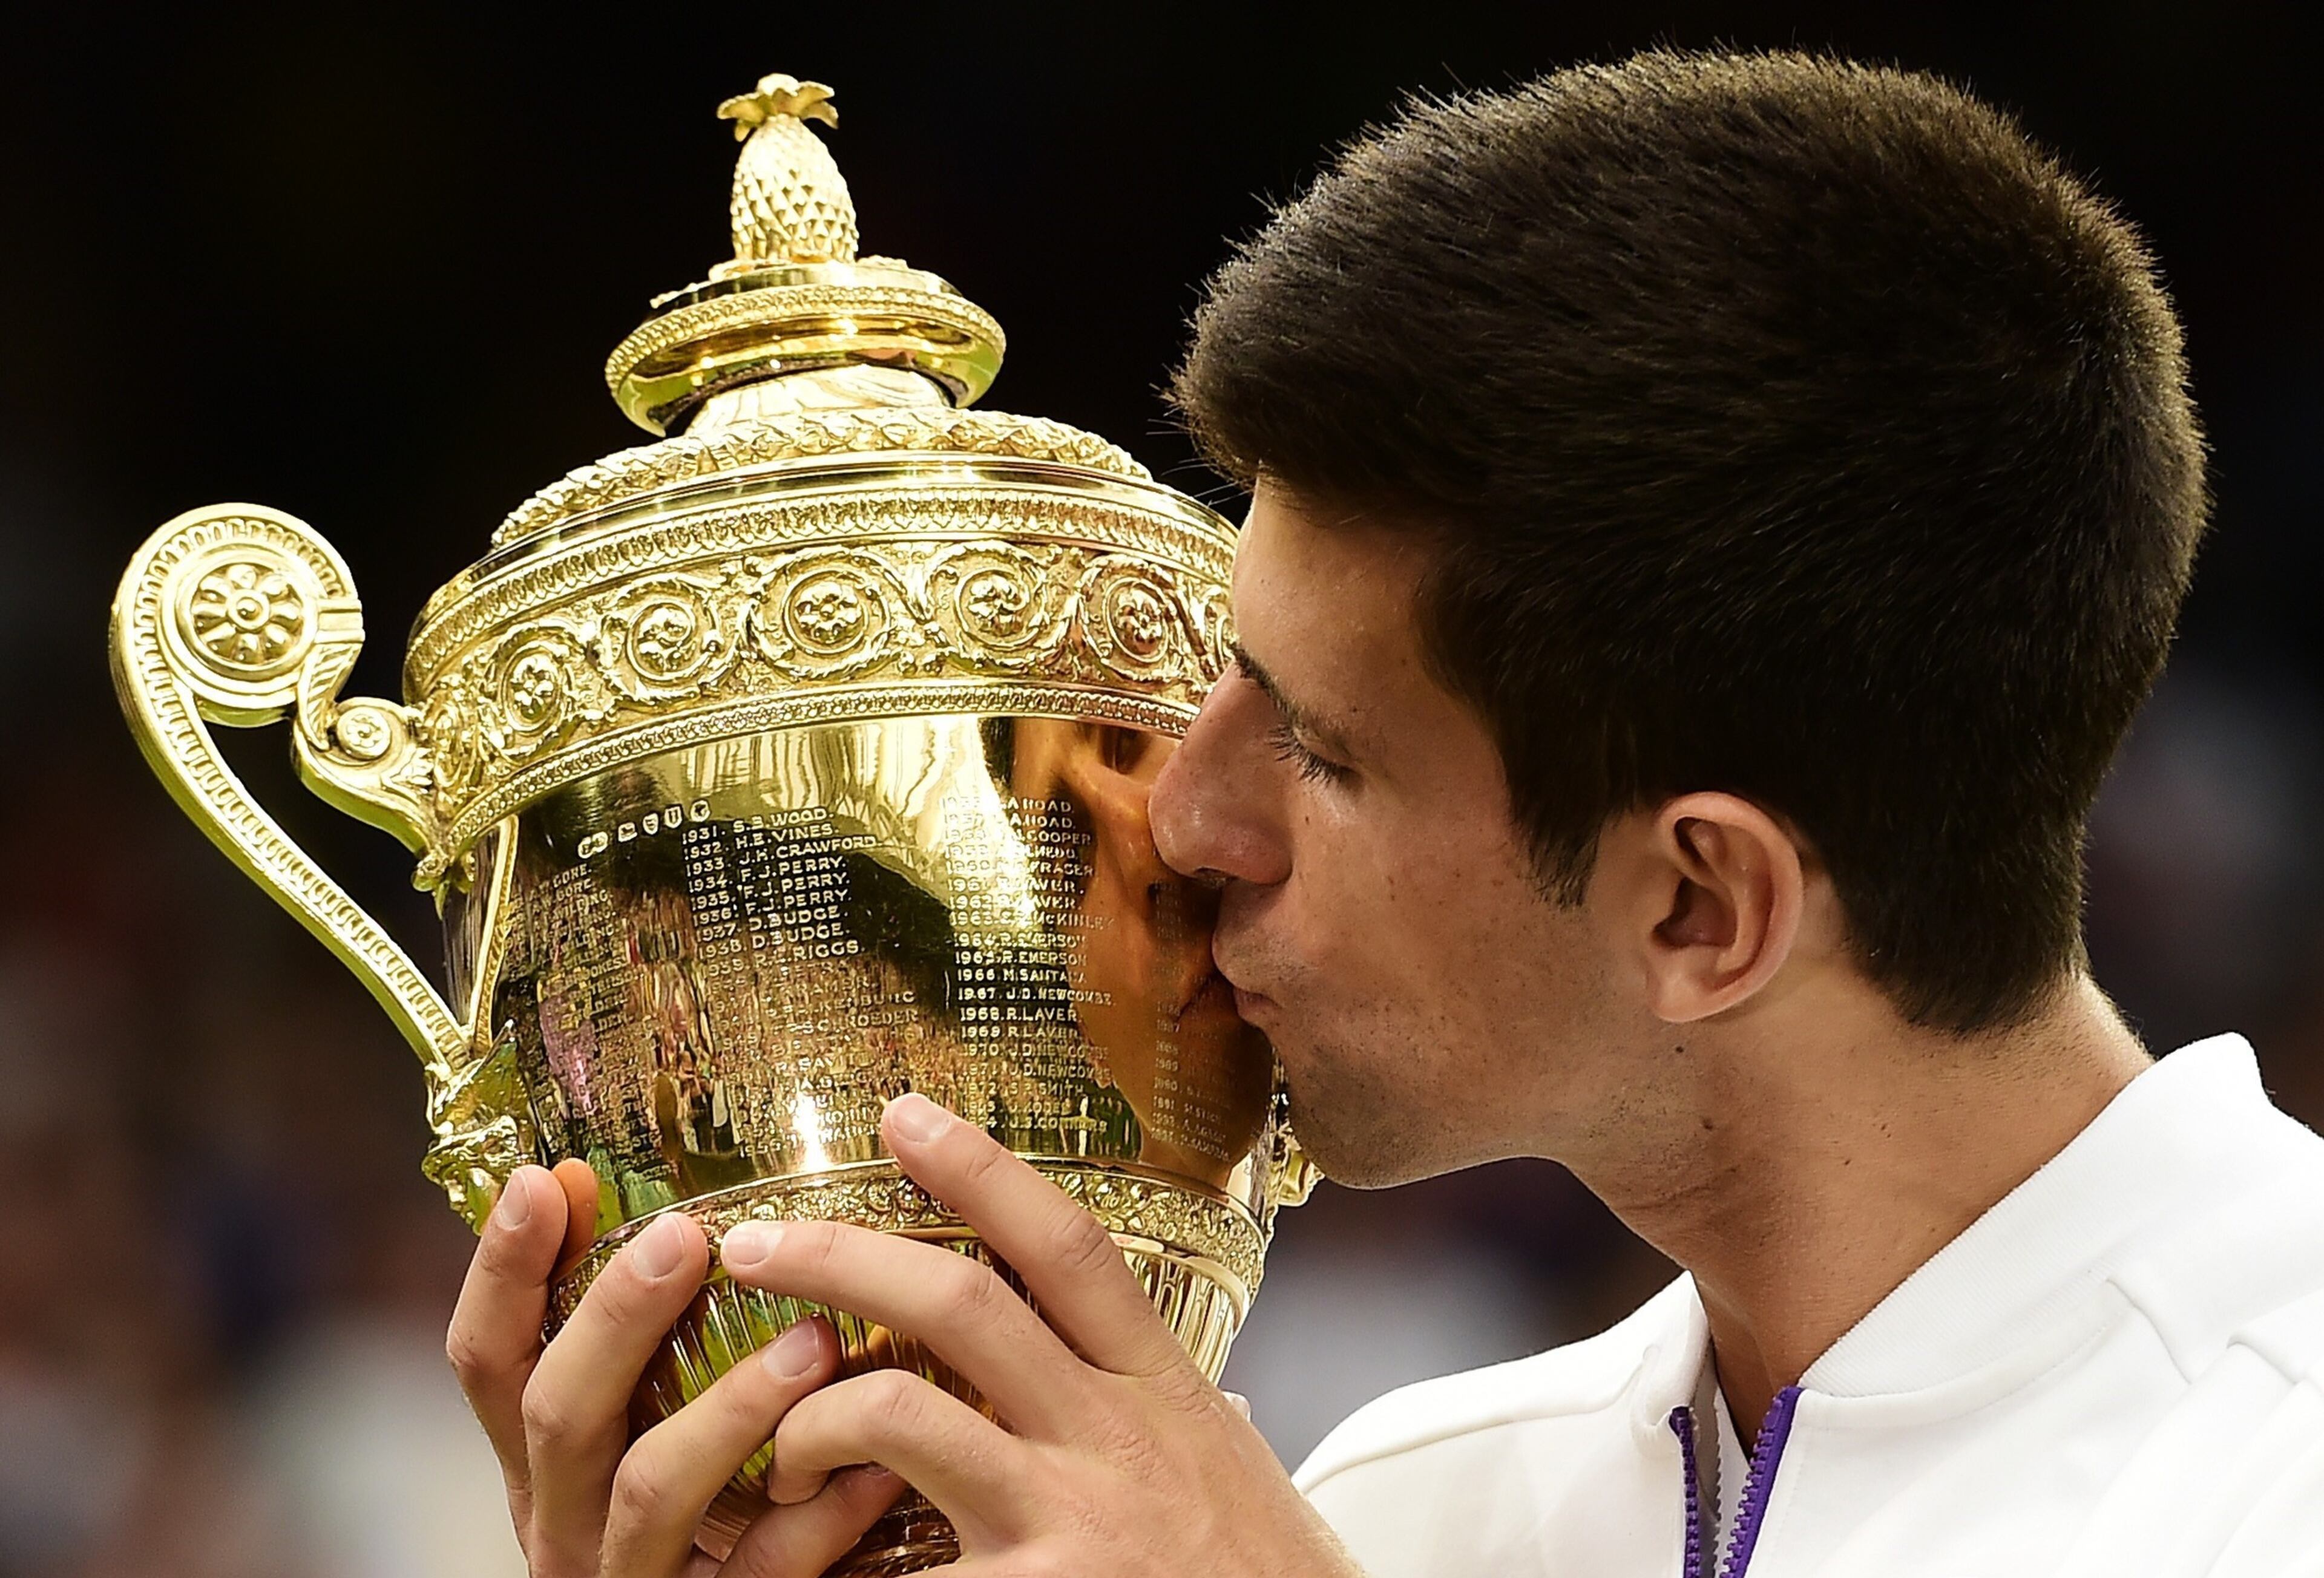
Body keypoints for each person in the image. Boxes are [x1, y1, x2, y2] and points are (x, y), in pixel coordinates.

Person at [443, 50, 2324, 1577]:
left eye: (1325, 755)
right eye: (1220, 679)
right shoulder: (1418, 1504)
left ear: (1700, 910)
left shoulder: (2276, 1460)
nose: (1178, 816)